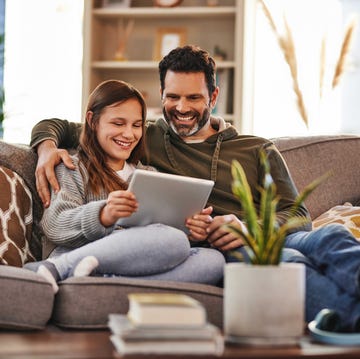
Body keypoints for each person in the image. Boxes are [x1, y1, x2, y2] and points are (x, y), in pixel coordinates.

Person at [31, 45, 360, 331]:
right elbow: (63, 126)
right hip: (229, 249)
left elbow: (298, 215)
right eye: (172, 97)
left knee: (332, 238)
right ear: (161, 95)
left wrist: (250, 227)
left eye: (194, 97)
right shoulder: (146, 137)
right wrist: (46, 147)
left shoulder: (256, 148)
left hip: (268, 232)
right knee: (286, 261)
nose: (182, 107)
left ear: (213, 97)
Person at [24, 79, 225, 293]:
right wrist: (103, 214)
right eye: (118, 124)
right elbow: (55, 224)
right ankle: (57, 268)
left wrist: (191, 231)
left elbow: (156, 243)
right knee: (172, 239)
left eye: (136, 125)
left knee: (213, 260)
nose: (129, 134)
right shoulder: (73, 167)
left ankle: (107, 280)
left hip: (135, 265)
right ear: (92, 121)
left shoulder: (149, 176)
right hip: (78, 252)